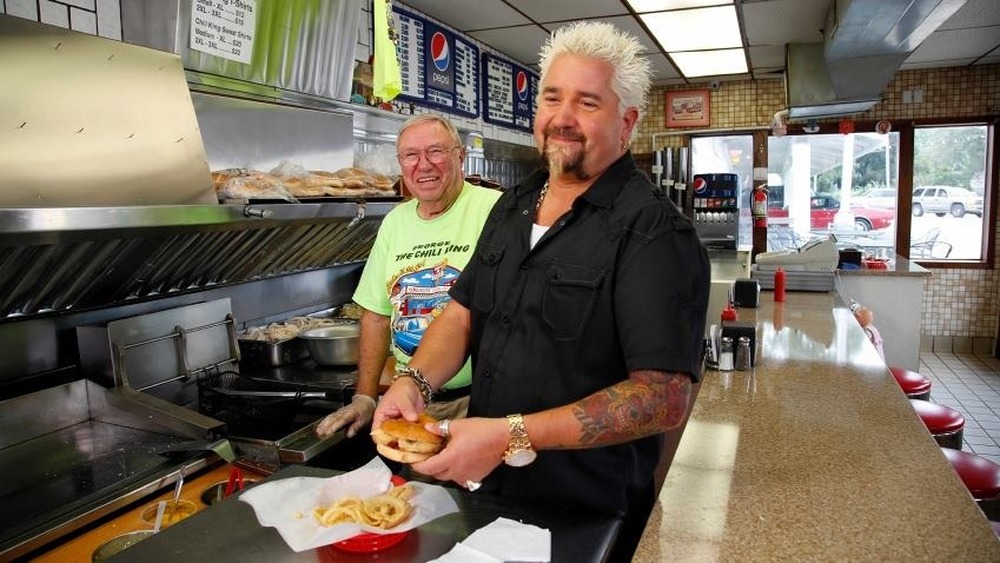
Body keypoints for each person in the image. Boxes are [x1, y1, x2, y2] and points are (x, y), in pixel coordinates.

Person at [372, 21, 710, 563]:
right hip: (488, 496)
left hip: (586, 514)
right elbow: (461, 313)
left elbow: (662, 397)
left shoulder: (654, 232)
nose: (562, 118)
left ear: (626, 124)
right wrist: (415, 383)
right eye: (552, 97)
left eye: (587, 102)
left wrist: (507, 435)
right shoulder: (511, 207)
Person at [315, 114, 501, 440]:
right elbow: (375, 315)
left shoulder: (497, 210)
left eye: (436, 152)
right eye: (411, 156)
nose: (423, 165)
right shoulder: (395, 222)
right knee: (419, 489)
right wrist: (365, 396)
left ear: (460, 156)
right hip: (411, 405)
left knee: (477, 491)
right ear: (401, 164)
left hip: (482, 403)